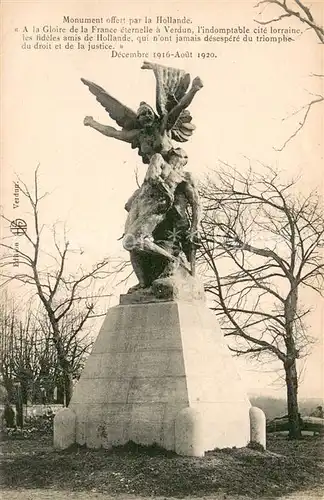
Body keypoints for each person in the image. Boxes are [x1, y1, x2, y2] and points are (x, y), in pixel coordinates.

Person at [123, 148, 200, 290]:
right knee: (132, 247)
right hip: (140, 208)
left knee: (130, 241)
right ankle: (143, 283)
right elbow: (130, 202)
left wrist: (195, 228)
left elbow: (196, 203)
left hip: (158, 208)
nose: (173, 153)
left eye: (179, 154)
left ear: (184, 158)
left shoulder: (185, 176)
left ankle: (171, 259)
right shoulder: (160, 163)